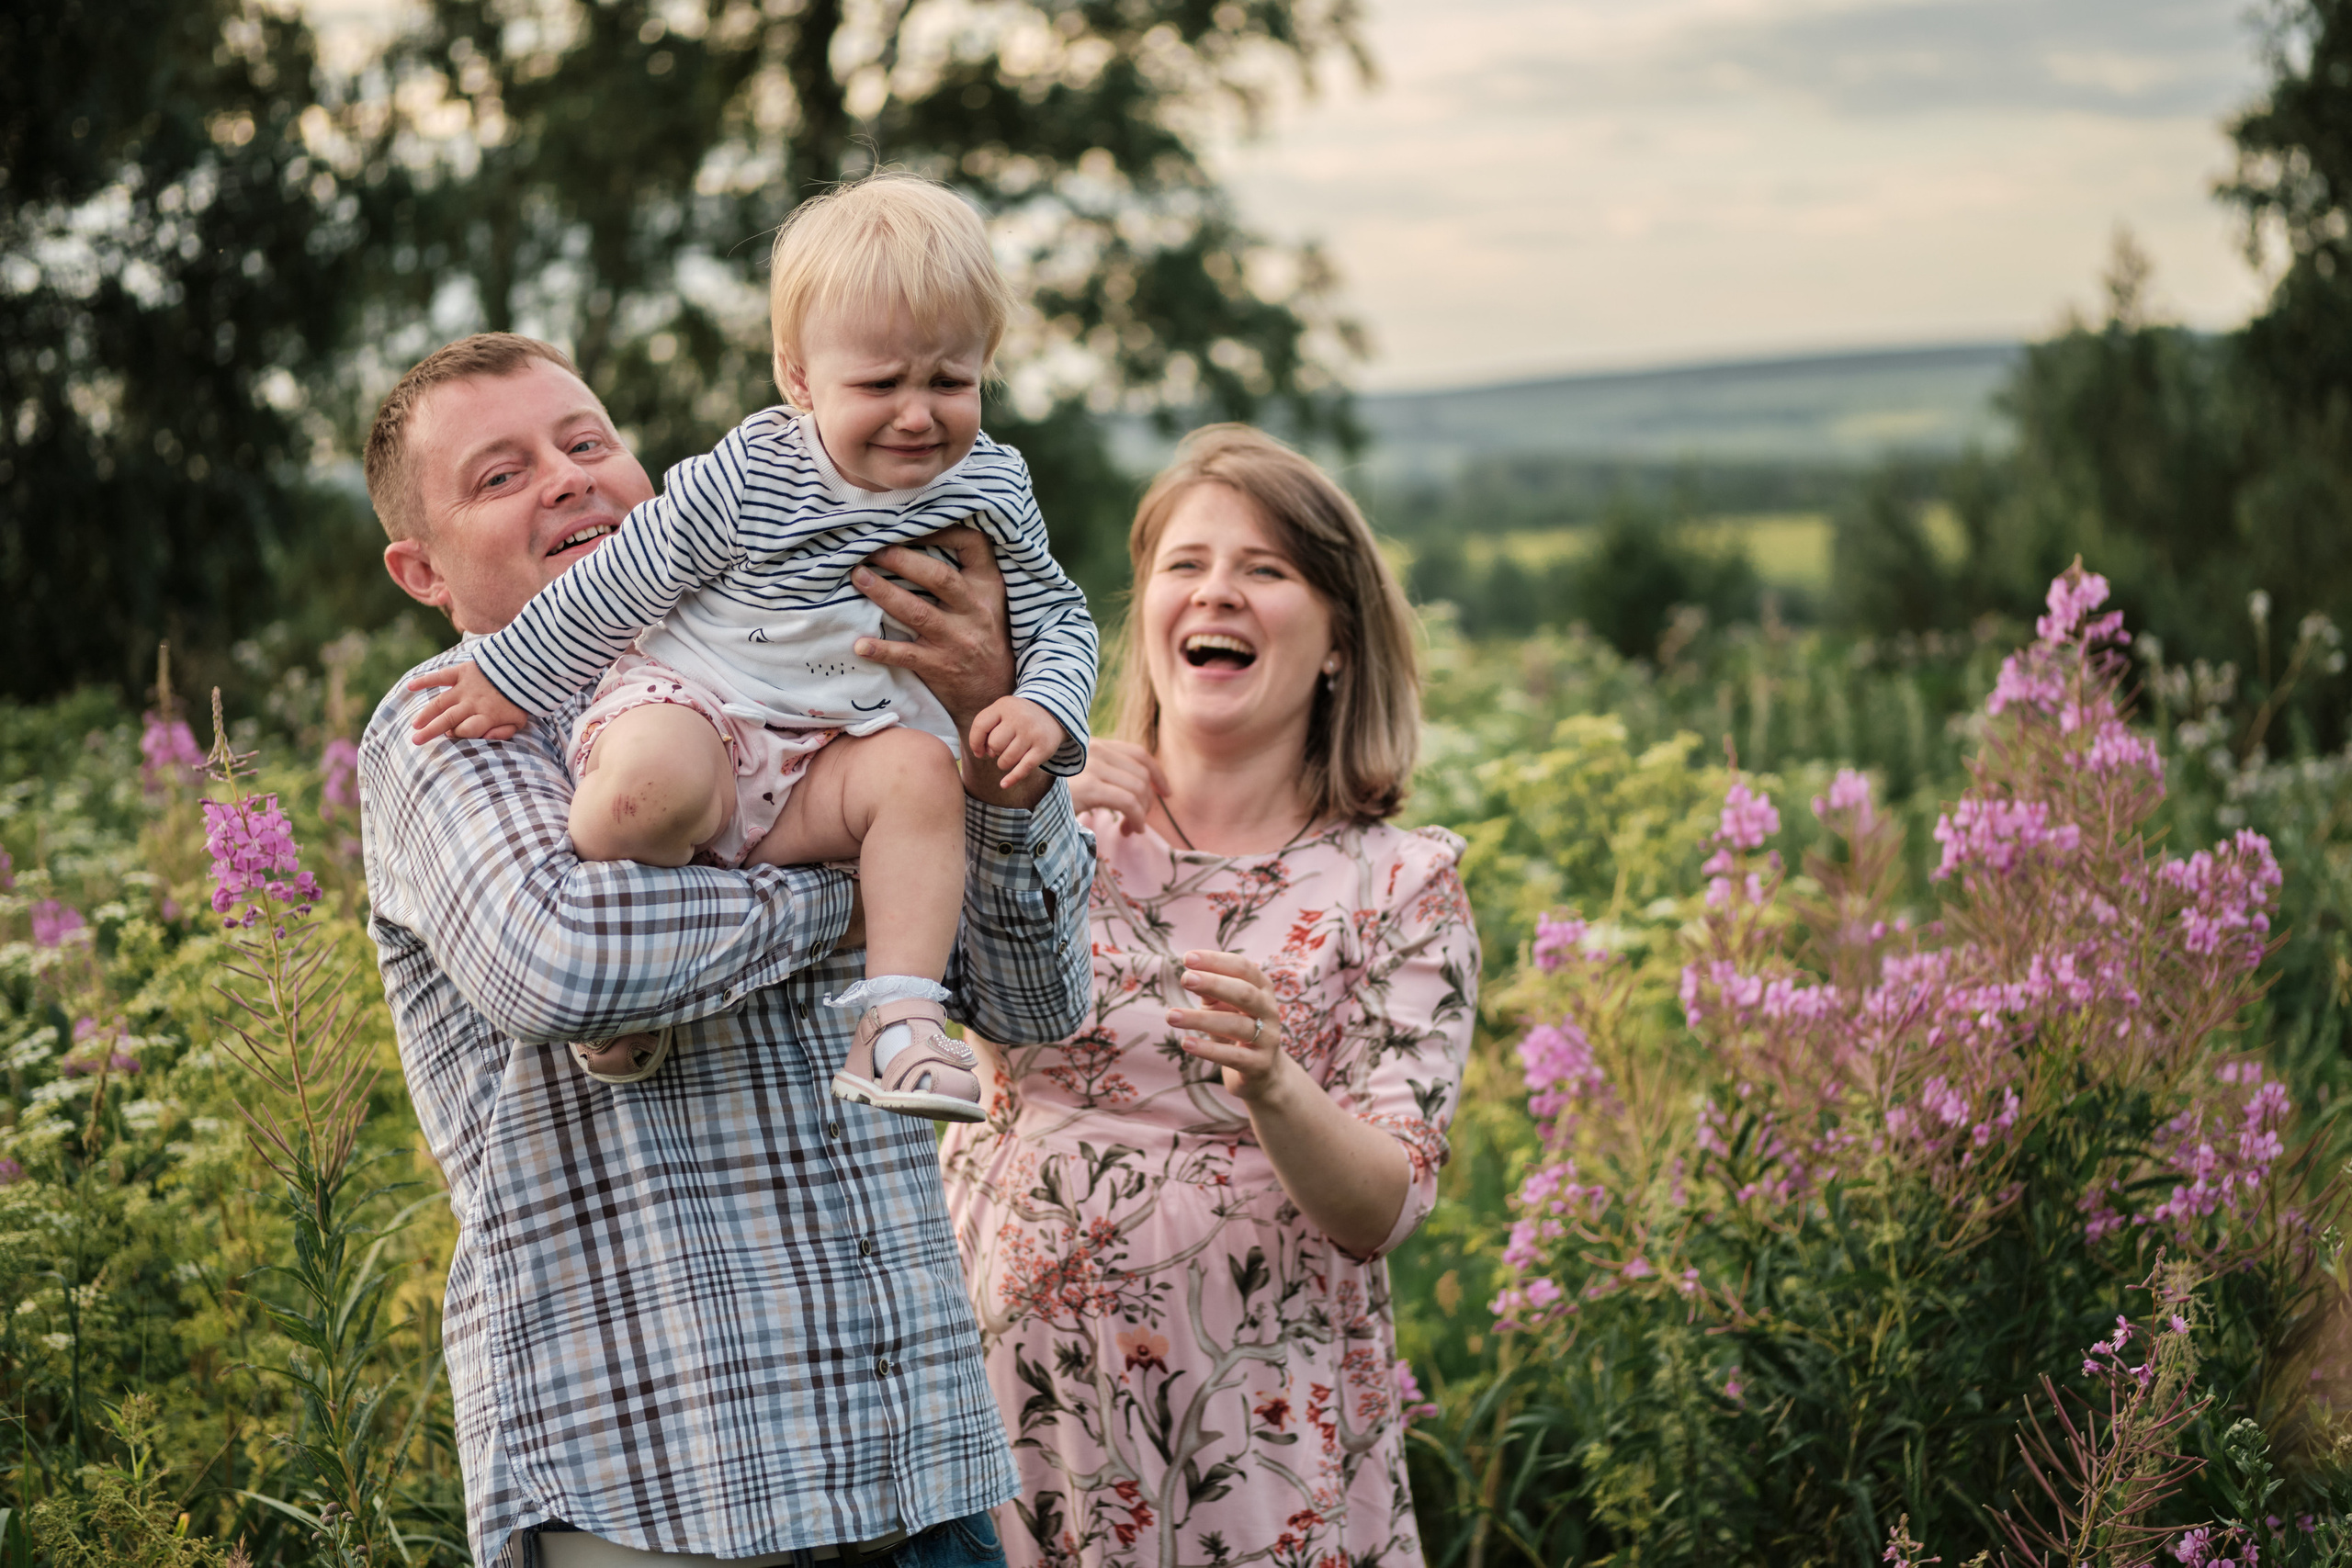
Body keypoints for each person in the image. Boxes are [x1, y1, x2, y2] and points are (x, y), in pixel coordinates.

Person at [358, 331, 1094, 1567]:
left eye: (589, 442)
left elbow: (1035, 1000)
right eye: (501, 474)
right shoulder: (449, 724)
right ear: (420, 568)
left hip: (920, 1464)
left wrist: (986, 740)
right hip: (658, 1492)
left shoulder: (823, 671)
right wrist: (853, 892)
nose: (568, 476)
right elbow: (566, 955)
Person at [406, 174, 1096, 1121]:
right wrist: (516, 673)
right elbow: (629, 575)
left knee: (922, 777)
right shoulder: (747, 475)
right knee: (653, 789)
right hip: (705, 709)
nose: (916, 414)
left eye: (951, 381)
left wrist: (1029, 703)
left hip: (839, 755)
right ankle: (635, 984)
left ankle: (897, 1024)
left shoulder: (988, 486)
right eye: (880, 384)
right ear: (799, 377)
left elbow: (1060, 613)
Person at [940, 425, 1478, 1567]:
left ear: (1338, 640)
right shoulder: (1045, 813)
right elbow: (896, 973)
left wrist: (1277, 1086)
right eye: (1185, 565)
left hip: (1251, 1444)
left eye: (1265, 569)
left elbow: (1383, 1206)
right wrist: (1023, 794)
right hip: (998, 1419)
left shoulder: (1395, 883)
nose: (1216, 592)